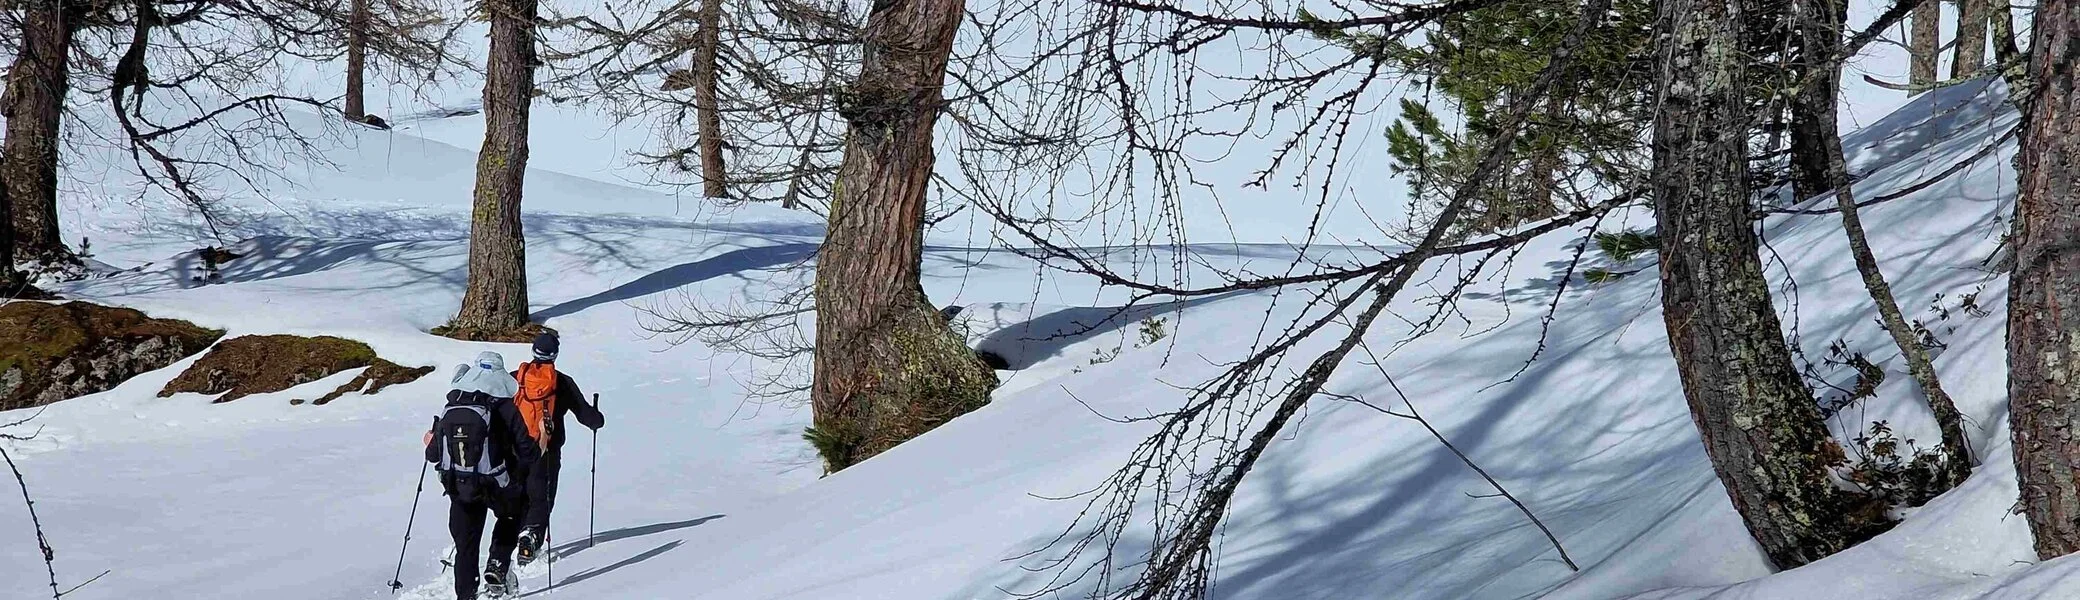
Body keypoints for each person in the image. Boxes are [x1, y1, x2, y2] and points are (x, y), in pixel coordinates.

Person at [426, 351, 538, 599]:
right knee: (513, 513)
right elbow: (527, 451)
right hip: (496, 483)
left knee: (466, 545)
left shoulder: (452, 404)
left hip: (459, 485)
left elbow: (432, 455)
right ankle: (497, 563)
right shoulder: (504, 405)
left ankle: (465, 595)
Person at [508, 331, 605, 565]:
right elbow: (587, 417)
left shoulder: (514, 379)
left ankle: (509, 545)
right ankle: (530, 540)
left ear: (533, 352)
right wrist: (597, 418)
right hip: (547, 451)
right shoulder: (561, 382)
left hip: (514, 450)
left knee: (518, 497)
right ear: (555, 355)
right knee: (542, 498)